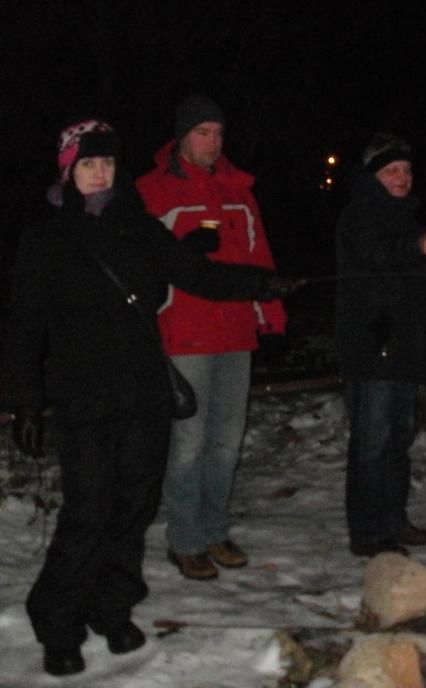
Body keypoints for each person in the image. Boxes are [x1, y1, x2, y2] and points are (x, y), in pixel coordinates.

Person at [0, 119, 291, 677]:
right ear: (68, 169)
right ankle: (58, 622)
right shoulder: (44, 240)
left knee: (135, 505)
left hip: (142, 394)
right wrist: (25, 401)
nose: (100, 171)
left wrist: (263, 283)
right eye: (88, 163)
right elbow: (24, 327)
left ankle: (113, 608)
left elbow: (197, 274)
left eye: (107, 162)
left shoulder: (141, 228)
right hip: (83, 398)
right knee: (87, 510)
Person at [136, 95, 290, 581]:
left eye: (218, 133)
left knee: (226, 442)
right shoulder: (151, 190)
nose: (212, 141)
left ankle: (213, 527)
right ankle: (184, 539)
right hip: (184, 331)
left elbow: (258, 254)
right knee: (189, 442)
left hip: (236, 330)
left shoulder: (239, 191)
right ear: (182, 136)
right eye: (203, 132)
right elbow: (143, 262)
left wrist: (270, 311)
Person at [335, 133, 426, 557]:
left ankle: (393, 520)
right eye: (391, 170)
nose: (402, 176)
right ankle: (368, 532)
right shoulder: (359, 216)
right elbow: (378, 255)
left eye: (406, 169)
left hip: (406, 345)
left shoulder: (409, 219)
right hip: (372, 344)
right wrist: (419, 245)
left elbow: (413, 275)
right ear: (373, 176)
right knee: (372, 441)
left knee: (399, 439)